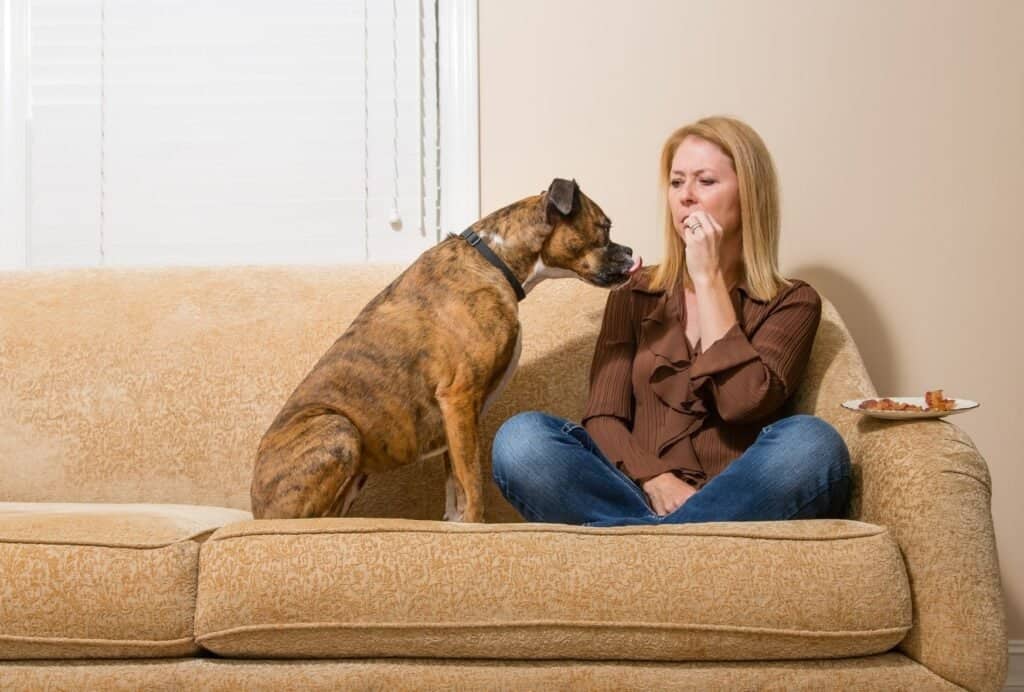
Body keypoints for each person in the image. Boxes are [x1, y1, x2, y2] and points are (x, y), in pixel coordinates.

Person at [491, 115, 851, 527]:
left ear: (750, 195)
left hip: (737, 497)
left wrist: (708, 277)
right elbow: (604, 417)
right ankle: (682, 545)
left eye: (706, 181)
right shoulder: (635, 290)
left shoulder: (792, 301)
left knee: (813, 444)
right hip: (636, 493)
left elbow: (740, 405)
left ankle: (653, 547)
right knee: (522, 440)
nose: (686, 196)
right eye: (677, 182)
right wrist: (657, 479)